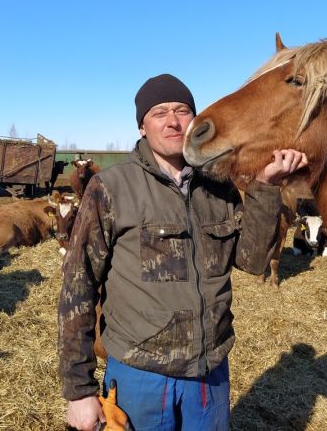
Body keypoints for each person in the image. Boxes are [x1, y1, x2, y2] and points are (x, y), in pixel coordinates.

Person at [59, 73, 308, 431]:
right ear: (142, 126)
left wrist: (266, 185)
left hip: (209, 374)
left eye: (182, 110)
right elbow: (76, 287)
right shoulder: (111, 187)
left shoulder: (218, 187)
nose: (173, 121)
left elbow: (252, 261)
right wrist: (78, 391)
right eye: (159, 113)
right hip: (139, 375)